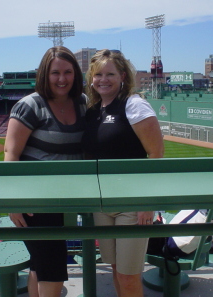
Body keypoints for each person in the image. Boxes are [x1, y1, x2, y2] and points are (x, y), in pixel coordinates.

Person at [4, 46, 86, 297]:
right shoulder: (30, 105)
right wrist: (13, 201)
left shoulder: (83, 102)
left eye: (68, 72)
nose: (62, 79)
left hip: (67, 198)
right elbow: (11, 154)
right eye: (55, 73)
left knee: (40, 264)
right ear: (44, 74)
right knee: (52, 267)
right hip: (35, 201)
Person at [82, 49, 164, 297]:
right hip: (102, 203)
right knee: (116, 270)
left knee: (129, 277)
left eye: (110, 74)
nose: (103, 80)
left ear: (122, 77)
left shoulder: (134, 104)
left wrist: (147, 202)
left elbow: (156, 155)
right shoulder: (93, 109)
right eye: (98, 74)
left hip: (131, 204)